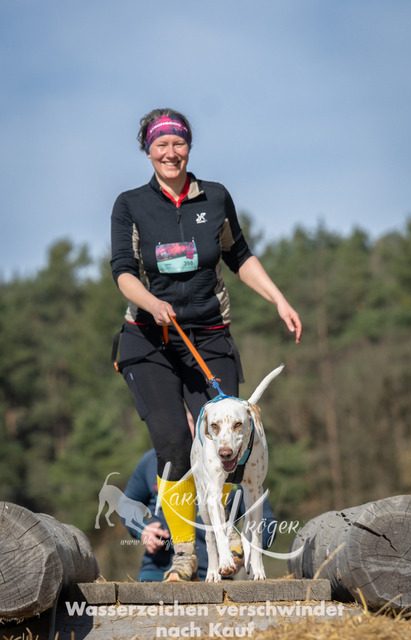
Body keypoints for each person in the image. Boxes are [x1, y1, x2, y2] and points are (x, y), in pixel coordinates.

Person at [110, 107, 302, 582]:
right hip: (149, 339)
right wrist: (151, 303)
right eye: (161, 144)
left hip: (209, 337)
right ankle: (184, 554)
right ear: (148, 151)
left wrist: (278, 298)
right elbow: (124, 272)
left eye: (178, 143)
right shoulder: (131, 204)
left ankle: (231, 538)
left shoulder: (215, 197)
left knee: (229, 438)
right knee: (175, 443)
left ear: (189, 147)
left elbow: (240, 254)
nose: (170, 152)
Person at [122, 448, 278, 581]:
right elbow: (127, 503)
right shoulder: (154, 459)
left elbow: (266, 521)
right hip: (158, 571)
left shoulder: (235, 463)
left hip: (217, 577)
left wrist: (244, 552)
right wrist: (142, 529)